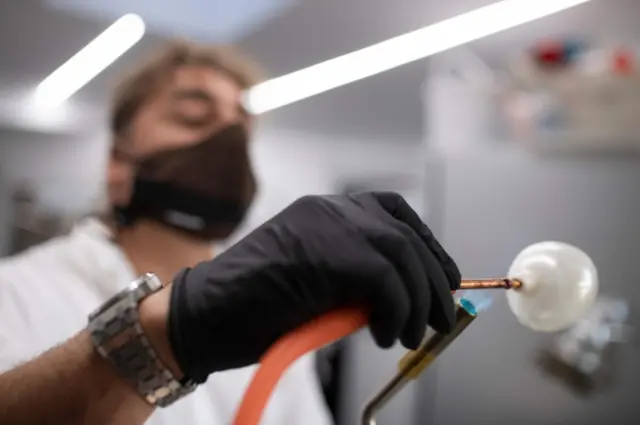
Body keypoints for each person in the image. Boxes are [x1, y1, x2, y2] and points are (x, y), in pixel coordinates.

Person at [0, 40, 461, 425]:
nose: (228, 140)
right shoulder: (15, 293)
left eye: (240, 128)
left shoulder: (271, 303)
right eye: (195, 118)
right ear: (118, 167)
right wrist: (168, 333)